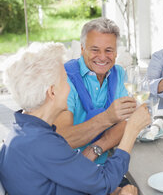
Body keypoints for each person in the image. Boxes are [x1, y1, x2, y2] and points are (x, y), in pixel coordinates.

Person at [0, 42, 150, 194]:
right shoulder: (41, 143)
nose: (71, 85)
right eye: (66, 79)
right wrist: (132, 128)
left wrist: (115, 191)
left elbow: (64, 183)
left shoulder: (25, 132)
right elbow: (105, 182)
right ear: (52, 92)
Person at [54, 18, 137, 166]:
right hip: (68, 167)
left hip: (105, 163)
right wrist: (108, 117)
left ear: (116, 52)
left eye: (109, 50)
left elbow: (126, 123)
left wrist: (96, 149)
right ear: (82, 48)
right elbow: (63, 139)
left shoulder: (118, 73)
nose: (103, 57)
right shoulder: (65, 78)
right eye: (95, 50)